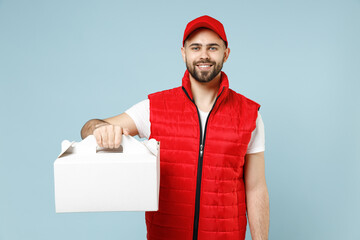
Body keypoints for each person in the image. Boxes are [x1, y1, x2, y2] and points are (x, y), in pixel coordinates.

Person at [81, 15, 269, 240]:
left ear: (226, 54)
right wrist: (100, 130)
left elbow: (256, 187)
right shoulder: (154, 108)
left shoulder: (249, 115)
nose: (204, 55)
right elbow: (88, 130)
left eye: (212, 48)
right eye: (195, 47)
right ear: (184, 53)